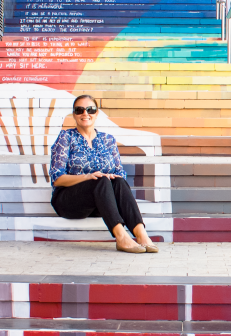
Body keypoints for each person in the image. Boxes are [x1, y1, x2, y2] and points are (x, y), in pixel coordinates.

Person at [49, 95, 158, 254]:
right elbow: (57, 179)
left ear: (97, 113)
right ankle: (121, 237)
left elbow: (120, 173)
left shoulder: (107, 140)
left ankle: (141, 234)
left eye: (90, 110)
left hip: (100, 202)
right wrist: (87, 177)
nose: (85, 113)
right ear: (74, 115)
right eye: (79, 110)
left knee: (119, 182)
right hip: (69, 200)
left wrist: (112, 177)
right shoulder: (66, 138)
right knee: (99, 180)